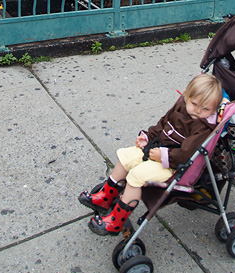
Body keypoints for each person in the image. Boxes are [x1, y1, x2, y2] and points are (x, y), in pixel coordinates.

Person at [79, 73, 226, 235]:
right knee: (125, 157)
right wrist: (147, 137)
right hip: (156, 148)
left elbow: (186, 154)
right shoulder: (181, 107)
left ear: (213, 110)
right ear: (186, 96)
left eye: (205, 109)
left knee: (136, 175)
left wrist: (163, 156)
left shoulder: (203, 128)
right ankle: (105, 197)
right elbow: (162, 124)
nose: (198, 111)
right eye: (194, 104)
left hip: (172, 165)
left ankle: (116, 221)